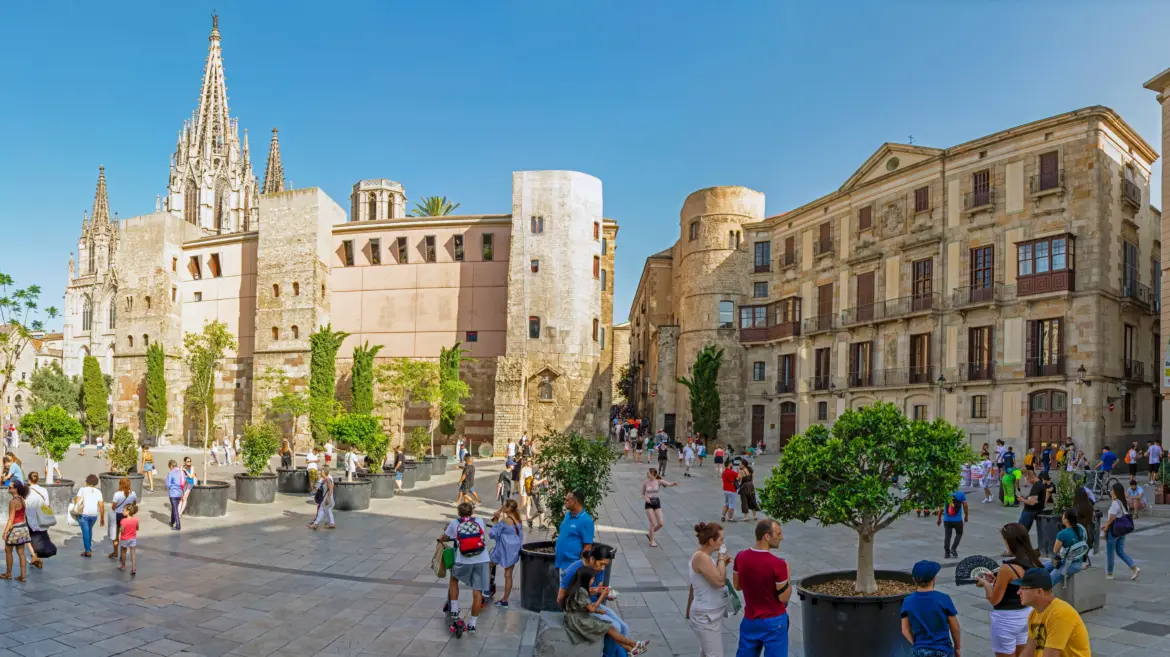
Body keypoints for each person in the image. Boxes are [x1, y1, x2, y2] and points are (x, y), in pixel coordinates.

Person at [976, 523, 1042, 657]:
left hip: (1007, 619)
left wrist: (986, 585)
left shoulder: (1008, 568)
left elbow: (994, 600)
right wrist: (997, 580)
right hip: (1027, 614)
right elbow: (1020, 585)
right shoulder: (1033, 560)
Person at [733, 519, 791, 657]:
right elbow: (784, 597)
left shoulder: (740, 557)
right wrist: (787, 573)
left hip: (750, 619)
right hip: (774, 621)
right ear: (767, 536)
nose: (781, 537)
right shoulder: (778, 564)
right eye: (778, 533)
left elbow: (737, 585)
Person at [562, 566, 648, 655]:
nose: (593, 581)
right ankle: (634, 644)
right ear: (586, 579)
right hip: (579, 621)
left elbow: (584, 607)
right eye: (592, 579)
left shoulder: (578, 588)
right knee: (609, 628)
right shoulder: (581, 591)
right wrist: (602, 595)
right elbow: (591, 609)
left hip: (579, 617)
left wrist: (599, 611)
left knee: (611, 629)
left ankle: (631, 648)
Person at [1015, 567, 1091, 656]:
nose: (1018, 592)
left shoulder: (1060, 613)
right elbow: (1029, 650)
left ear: (1039, 591)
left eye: (1023, 588)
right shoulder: (1034, 613)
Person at [443, 502, 490, 634]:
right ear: (472, 512)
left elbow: (445, 537)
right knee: (477, 592)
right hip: (482, 559)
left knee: (454, 579)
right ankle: (472, 624)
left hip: (464, 559)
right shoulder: (479, 520)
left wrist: (440, 539)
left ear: (459, 513)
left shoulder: (454, 523)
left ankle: (454, 609)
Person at [900, 560, 961, 657]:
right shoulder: (943, 599)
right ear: (934, 578)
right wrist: (957, 648)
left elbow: (905, 630)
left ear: (914, 580)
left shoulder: (908, 601)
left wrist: (916, 645)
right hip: (943, 649)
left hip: (921, 650)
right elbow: (955, 628)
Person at [686, 521, 730, 657]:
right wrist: (721, 559)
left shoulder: (704, 557)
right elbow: (720, 581)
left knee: (706, 653)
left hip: (708, 614)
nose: (723, 543)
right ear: (711, 541)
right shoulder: (701, 557)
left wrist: (721, 563)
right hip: (706, 616)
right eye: (721, 539)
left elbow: (695, 584)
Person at [487, 499, 524, 608]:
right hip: (513, 551)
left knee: (487, 566)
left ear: (508, 508)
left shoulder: (505, 521)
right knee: (508, 575)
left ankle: (486, 589)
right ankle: (505, 600)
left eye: (504, 506)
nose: (502, 507)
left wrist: (495, 520)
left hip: (502, 550)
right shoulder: (518, 521)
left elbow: (492, 534)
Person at [1102, 481, 1139, 580]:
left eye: (1112, 490)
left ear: (1115, 492)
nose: (1110, 492)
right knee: (1120, 551)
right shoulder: (1123, 503)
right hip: (1121, 530)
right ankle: (1134, 567)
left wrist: (1106, 527)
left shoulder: (1115, 503)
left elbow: (1112, 518)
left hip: (1113, 531)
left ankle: (1109, 573)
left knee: (1110, 552)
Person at [1046, 509, 1089, 588]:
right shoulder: (1081, 528)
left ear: (1066, 520)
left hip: (1069, 564)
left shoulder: (1062, 534)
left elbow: (1055, 550)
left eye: (1063, 516)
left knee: (1048, 582)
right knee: (1045, 566)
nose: (1062, 517)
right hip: (1078, 561)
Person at [554, 490, 595, 573]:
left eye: (567, 500)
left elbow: (587, 546)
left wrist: (579, 566)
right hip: (561, 563)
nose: (565, 502)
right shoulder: (568, 515)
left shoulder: (586, 521)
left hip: (572, 566)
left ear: (576, 502)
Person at [2, 480, 30, 582]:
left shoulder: (13, 502)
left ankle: (8, 573)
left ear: (15, 489)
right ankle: (23, 576)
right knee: (21, 552)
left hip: (15, 529)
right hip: (23, 527)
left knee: (8, 551)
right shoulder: (22, 499)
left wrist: (5, 532)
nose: (8, 488)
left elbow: (11, 519)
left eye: (10, 487)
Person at [642, 468, 678, 548]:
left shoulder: (658, 481)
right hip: (649, 503)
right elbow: (643, 494)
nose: (647, 474)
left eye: (649, 473)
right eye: (647, 472)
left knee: (661, 523)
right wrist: (646, 498)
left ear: (653, 474)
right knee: (653, 523)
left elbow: (668, 484)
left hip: (656, 502)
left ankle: (650, 533)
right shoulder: (645, 482)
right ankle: (652, 541)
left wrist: (674, 483)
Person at [73, 474, 105, 557]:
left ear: (87, 482)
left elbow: (77, 500)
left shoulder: (82, 489)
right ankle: (88, 548)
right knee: (89, 530)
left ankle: (87, 550)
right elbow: (101, 505)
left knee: (85, 532)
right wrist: (102, 517)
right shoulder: (98, 492)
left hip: (84, 514)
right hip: (94, 515)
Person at [24, 472, 51, 569]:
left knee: (28, 537)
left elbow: (24, 504)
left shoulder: (26, 490)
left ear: (29, 480)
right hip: (41, 516)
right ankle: (40, 560)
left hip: (30, 516)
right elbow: (47, 504)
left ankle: (34, 555)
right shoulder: (43, 490)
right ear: (38, 479)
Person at [107, 477, 137, 560]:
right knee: (125, 536)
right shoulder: (133, 494)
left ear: (120, 484)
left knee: (116, 535)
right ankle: (122, 555)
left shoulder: (117, 494)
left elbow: (113, 507)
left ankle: (115, 552)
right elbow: (134, 505)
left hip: (118, 516)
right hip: (127, 517)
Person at [936, 488, 968, 559]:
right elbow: (965, 506)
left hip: (947, 520)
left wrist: (939, 518)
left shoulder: (944, 494)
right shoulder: (961, 494)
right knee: (959, 533)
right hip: (958, 520)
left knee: (947, 536)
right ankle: (953, 548)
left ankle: (947, 553)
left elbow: (941, 507)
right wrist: (966, 516)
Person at [118, 503, 139, 574]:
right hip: (133, 538)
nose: (122, 512)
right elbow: (137, 528)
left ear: (128, 512)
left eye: (123, 510)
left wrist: (120, 529)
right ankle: (134, 568)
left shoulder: (123, 521)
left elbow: (122, 531)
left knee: (123, 552)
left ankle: (123, 566)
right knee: (133, 553)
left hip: (124, 539)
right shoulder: (136, 519)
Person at [166, 460, 183, 531]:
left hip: (173, 493)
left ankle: (178, 525)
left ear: (170, 466)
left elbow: (168, 485)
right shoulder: (181, 472)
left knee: (175, 509)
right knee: (174, 507)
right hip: (179, 493)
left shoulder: (170, 473)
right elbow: (183, 482)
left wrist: (169, 486)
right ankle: (172, 522)